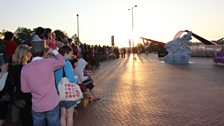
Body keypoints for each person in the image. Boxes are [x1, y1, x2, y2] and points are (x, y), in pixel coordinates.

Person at [20, 40, 66, 126]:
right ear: (45, 52)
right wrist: (54, 51)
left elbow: (24, 89)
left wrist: (35, 87)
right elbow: (63, 62)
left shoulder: (25, 68)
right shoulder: (49, 62)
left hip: (37, 106)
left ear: (31, 53)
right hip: (52, 103)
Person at [5, 45, 33, 126]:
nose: (31, 55)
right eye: (30, 53)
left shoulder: (14, 68)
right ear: (24, 54)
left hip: (20, 99)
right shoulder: (29, 68)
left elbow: (8, 86)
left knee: (23, 120)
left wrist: (14, 97)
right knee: (28, 121)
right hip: (29, 99)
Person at [55, 45, 78, 126]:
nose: (71, 55)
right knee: (70, 116)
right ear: (65, 53)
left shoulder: (56, 62)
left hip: (59, 93)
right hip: (68, 93)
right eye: (70, 54)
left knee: (62, 115)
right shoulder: (67, 63)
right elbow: (71, 79)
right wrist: (76, 78)